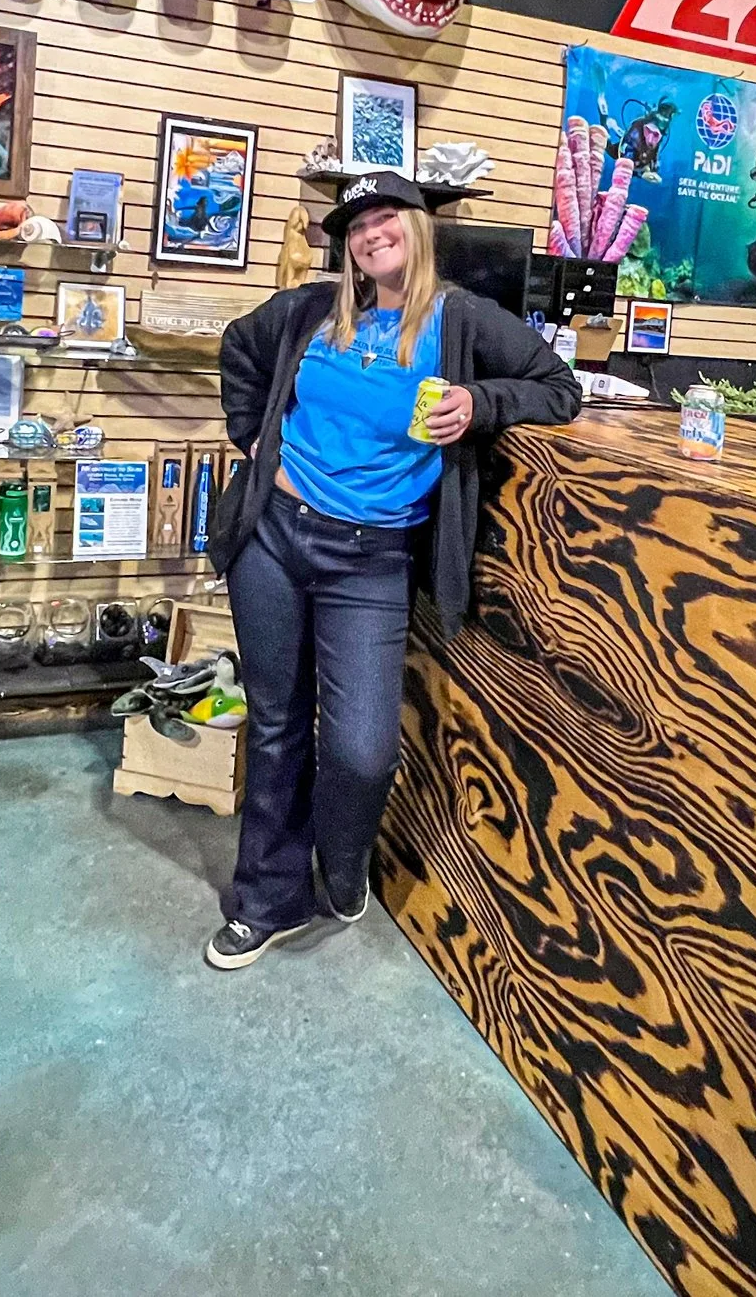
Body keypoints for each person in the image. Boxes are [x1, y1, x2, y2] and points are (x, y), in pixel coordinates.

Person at [204, 173, 581, 970]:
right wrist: (255, 445)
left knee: (362, 749)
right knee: (276, 729)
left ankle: (341, 868)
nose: (372, 234)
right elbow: (238, 347)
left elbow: (560, 390)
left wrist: (481, 404)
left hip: (370, 561)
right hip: (273, 538)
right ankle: (268, 900)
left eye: (386, 219)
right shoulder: (310, 311)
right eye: (358, 225)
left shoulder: (463, 319)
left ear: (417, 227)